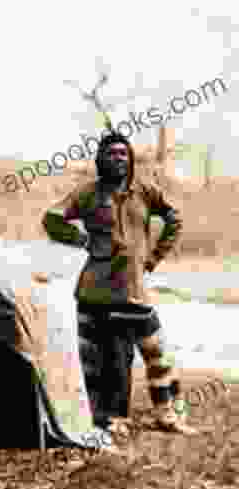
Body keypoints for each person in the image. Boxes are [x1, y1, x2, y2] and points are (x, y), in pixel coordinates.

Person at [42, 130, 197, 435]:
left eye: (123, 153)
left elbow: (174, 219)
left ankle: (167, 415)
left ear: (130, 159)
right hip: (95, 290)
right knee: (103, 358)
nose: (117, 158)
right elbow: (51, 218)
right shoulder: (88, 193)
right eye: (111, 153)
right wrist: (80, 238)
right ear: (101, 159)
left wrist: (153, 258)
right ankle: (108, 419)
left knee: (158, 352)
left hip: (133, 289)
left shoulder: (145, 191)